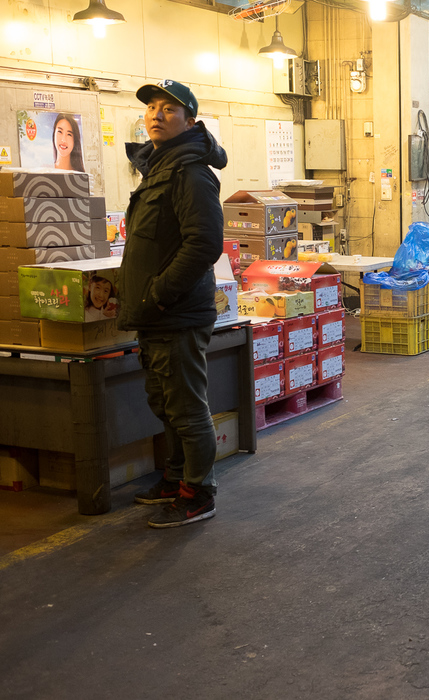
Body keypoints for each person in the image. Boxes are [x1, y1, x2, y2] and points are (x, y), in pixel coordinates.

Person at [118, 79, 228, 528]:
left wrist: (160, 293)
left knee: (185, 407)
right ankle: (176, 477)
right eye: (152, 108)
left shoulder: (191, 172)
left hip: (175, 311)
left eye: (169, 108)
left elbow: (204, 243)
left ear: (191, 121)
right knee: (165, 402)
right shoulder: (160, 167)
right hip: (156, 312)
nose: (157, 114)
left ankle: (199, 492)